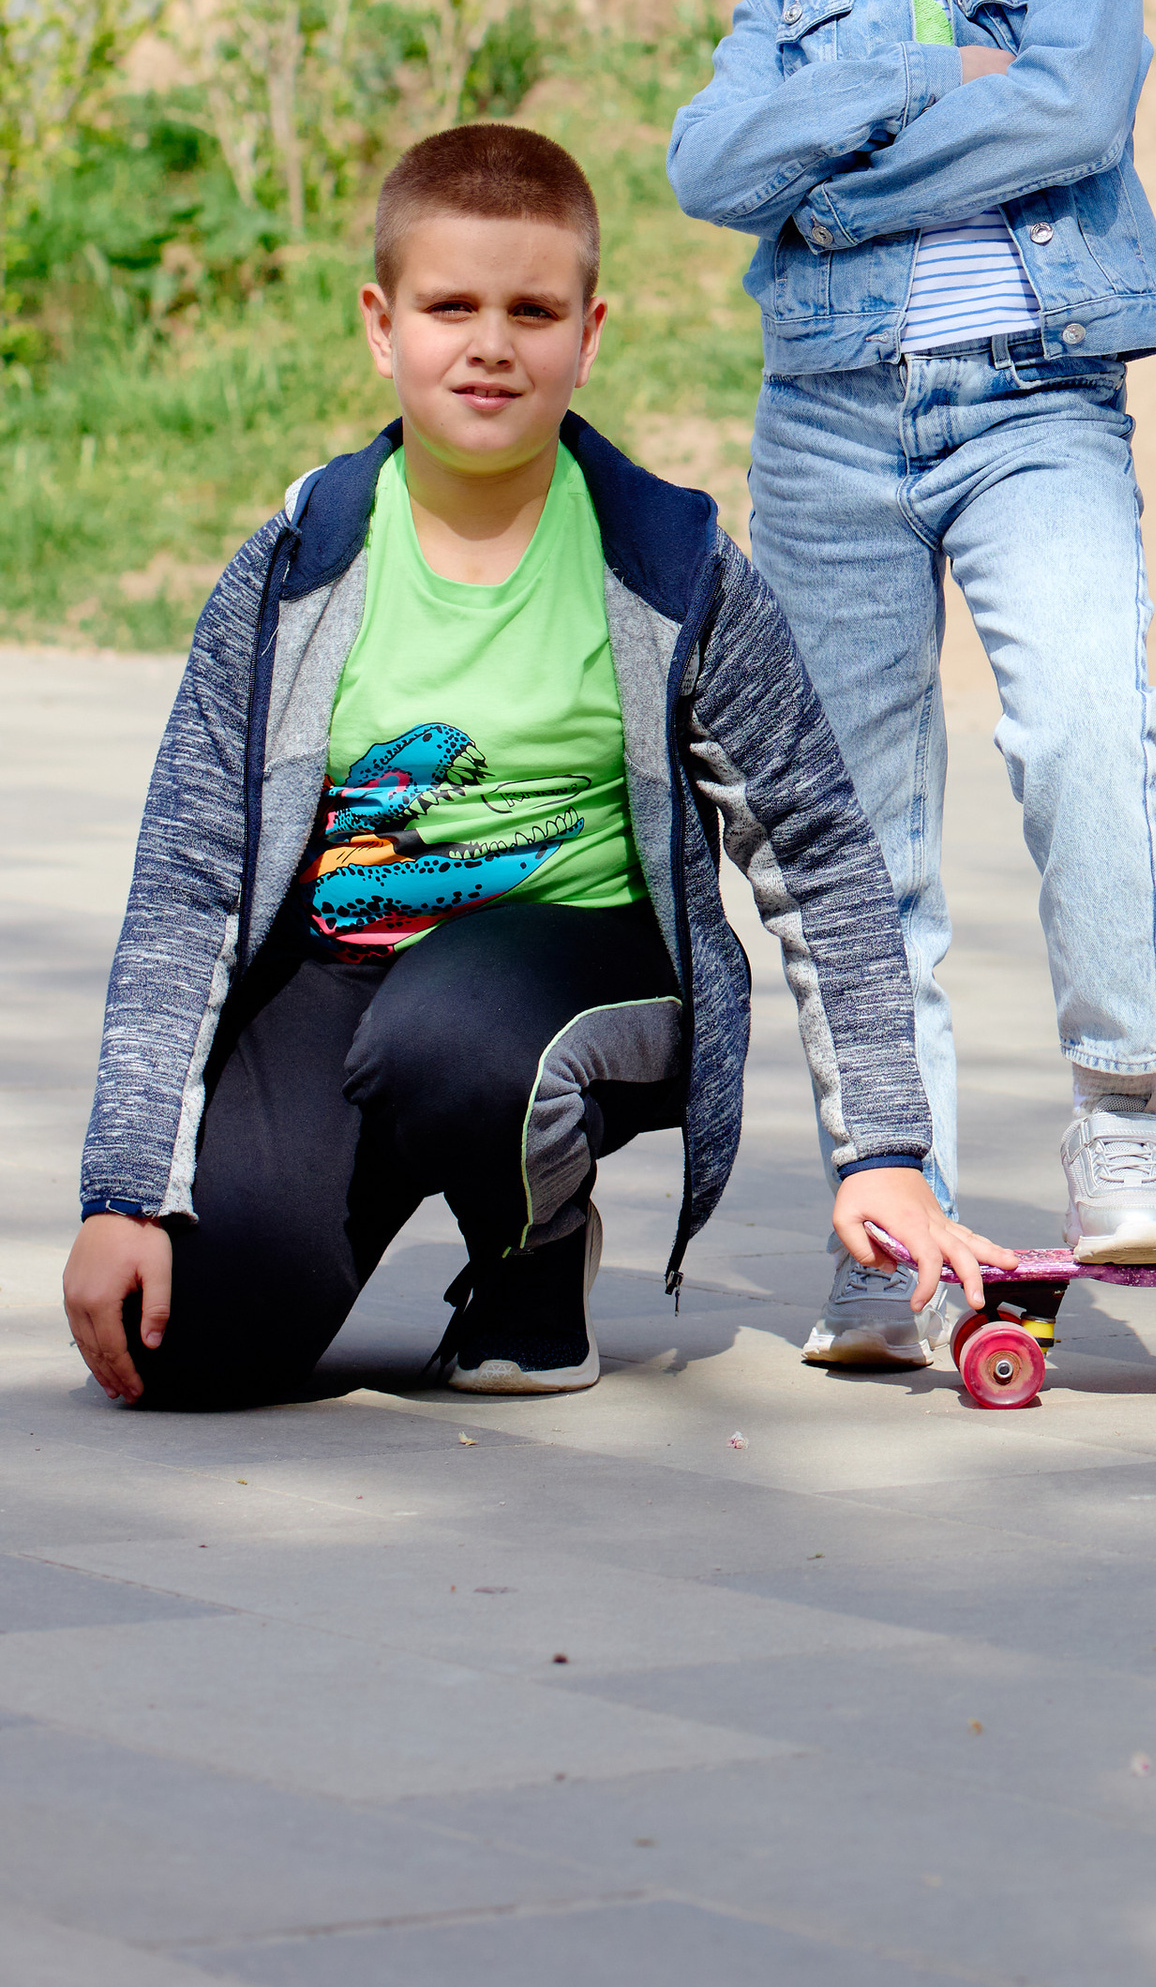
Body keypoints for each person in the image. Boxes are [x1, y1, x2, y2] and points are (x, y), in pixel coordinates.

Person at [61, 123, 1006, 1414]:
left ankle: (532, 1252)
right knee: (182, 1347)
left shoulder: (673, 569)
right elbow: (187, 877)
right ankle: (383, 1180)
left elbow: (822, 856)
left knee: (452, 1035)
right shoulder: (299, 564)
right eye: (451, 306)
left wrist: (885, 1152)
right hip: (350, 968)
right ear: (382, 327)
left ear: (591, 331)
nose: (491, 342)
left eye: (532, 309)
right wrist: (125, 1194)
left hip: (573, 971)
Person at [667, 0, 1156, 1374]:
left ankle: (1122, 1106)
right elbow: (707, 166)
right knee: (854, 830)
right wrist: (916, 66)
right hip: (829, 426)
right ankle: (890, 1210)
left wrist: (844, 156)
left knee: (1082, 725)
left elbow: (1069, 111)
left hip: (1036, 403)